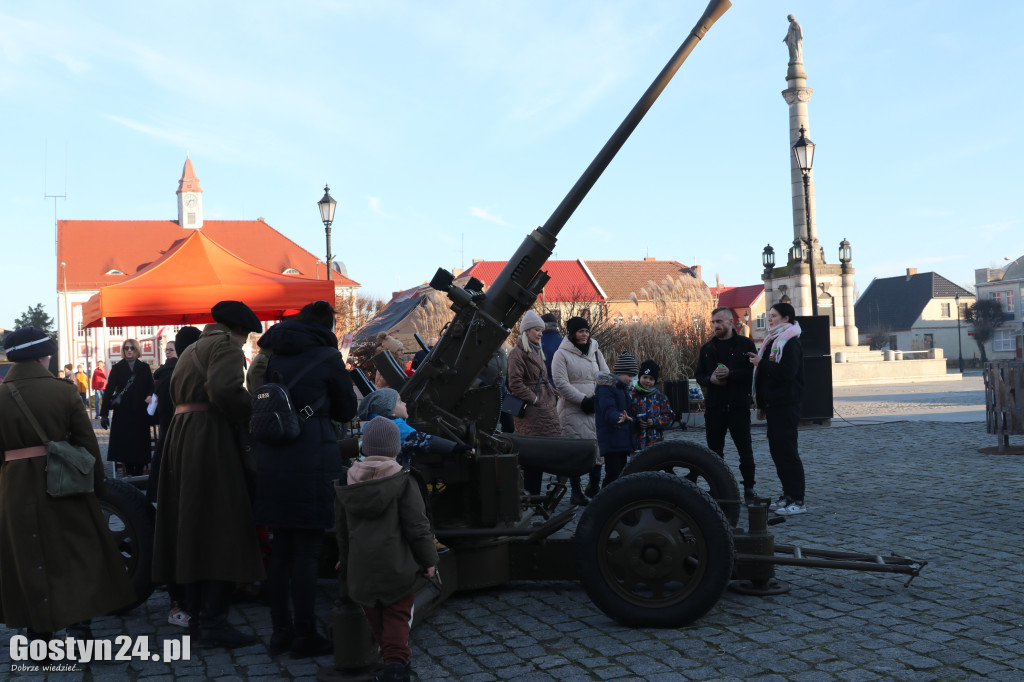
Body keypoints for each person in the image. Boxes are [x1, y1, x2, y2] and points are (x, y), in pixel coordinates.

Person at [0, 327, 135, 643]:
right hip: (66, 484)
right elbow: (87, 444)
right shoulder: (63, 391)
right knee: (76, 555)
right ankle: (79, 629)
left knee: (28, 557)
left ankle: (38, 635)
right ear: (41, 356)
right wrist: (98, 489)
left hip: (14, 488)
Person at [153, 301, 266, 648]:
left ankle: (199, 613)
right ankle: (214, 621)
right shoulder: (225, 346)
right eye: (246, 336)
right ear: (238, 331)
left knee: (193, 525)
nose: (245, 341)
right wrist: (252, 414)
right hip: (209, 437)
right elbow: (225, 390)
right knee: (221, 523)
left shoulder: (193, 348)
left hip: (183, 434)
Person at [252, 301, 359, 658]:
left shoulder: (275, 355)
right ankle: (305, 636)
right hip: (311, 456)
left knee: (281, 549)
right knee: (307, 553)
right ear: (327, 326)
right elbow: (347, 410)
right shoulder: (327, 358)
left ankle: (280, 633)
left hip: (272, 459)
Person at [335, 416, 439, 682]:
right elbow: (417, 526)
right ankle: (395, 666)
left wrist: (344, 562)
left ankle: (388, 654)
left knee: (375, 614)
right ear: (395, 448)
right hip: (397, 565)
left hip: (361, 567)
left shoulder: (347, 482)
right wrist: (429, 560)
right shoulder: (403, 481)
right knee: (397, 616)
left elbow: (343, 531)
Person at [148, 328, 201, 630]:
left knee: (171, 530)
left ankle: (180, 599)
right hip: (178, 458)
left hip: (166, 456)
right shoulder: (184, 377)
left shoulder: (170, 376)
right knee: (178, 533)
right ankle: (180, 601)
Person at [750, 302, 806, 515]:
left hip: (786, 405)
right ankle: (787, 495)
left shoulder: (790, 342)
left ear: (786, 319)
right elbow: (766, 379)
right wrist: (762, 404)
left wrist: (760, 363)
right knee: (777, 453)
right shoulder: (772, 341)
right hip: (773, 406)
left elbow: (786, 373)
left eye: (773, 316)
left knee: (788, 452)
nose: (769, 319)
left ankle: (798, 499)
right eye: (769, 315)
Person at [697, 307, 758, 503]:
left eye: (719, 322)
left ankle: (749, 490)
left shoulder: (745, 344)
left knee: (745, 451)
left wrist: (731, 373)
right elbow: (699, 375)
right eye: (713, 322)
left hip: (738, 406)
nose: (715, 325)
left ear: (730, 322)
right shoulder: (707, 348)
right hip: (715, 408)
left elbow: (752, 373)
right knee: (714, 453)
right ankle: (717, 490)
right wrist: (710, 379)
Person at [551, 316, 608, 506]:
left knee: (598, 451)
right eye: (580, 331)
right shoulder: (562, 354)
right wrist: (583, 401)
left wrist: (603, 397)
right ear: (572, 333)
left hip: (596, 408)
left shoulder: (595, 351)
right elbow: (560, 383)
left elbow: (605, 376)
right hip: (572, 409)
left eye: (586, 331)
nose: (584, 335)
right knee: (575, 453)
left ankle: (594, 486)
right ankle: (576, 491)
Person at [506, 310, 560, 496]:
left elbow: (543, 379)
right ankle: (531, 496)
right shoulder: (517, 353)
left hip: (543, 408)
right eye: (537, 330)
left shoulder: (537, 351)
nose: (540, 333)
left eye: (541, 330)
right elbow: (515, 384)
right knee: (532, 457)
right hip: (531, 412)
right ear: (527, 331)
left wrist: (554, 395)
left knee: (543, 454)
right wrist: (535, 399)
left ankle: (536, 495)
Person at [357, 388, 471, 467]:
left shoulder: (371, 426)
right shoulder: (395, 428)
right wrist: (457, 448)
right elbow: (424, 440)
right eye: (399, 402)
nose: (405, 403)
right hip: (395, 476)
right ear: (391, 412)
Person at [100, 339, 155, 475]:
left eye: (131, 348)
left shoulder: (144, 367)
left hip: (141, 412)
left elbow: (151, 387)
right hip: (123, 413)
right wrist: (104, 414)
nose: (129, 350)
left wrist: (150, 395)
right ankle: (130, 474)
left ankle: (139, 473)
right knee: (126, 444)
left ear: (136, 350)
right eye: (126, 348)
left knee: (141, 444)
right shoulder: (118, 367)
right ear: (123, 351)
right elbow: (109, 390)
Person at [594, 352, 638, 489]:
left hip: (622, 438)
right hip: (611, 437)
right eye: (629, 375)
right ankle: (605, 501)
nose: (631, 379)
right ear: (620, 373)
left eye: (633, 376)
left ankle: (617, 500)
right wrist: (620, 418)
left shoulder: (623, 389)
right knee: (612, 473)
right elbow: (608, 410)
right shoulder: (606, 388)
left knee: (621, 472)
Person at [631, 359, 673, 450]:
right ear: (639, 377)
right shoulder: (632, 396)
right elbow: (627, 416)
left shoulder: (661, 397)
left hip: (656, 444)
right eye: (645, 377)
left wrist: (655, 421)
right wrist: (637, 423)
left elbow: (669, 418)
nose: (647, 381)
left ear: (655, 381)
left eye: (651, 379)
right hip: (637, 444)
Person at [540, 313, 561, 382]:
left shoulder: (538, 343)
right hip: (563, 387)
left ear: (544, 326)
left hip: (544, 386)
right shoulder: (565, 342)